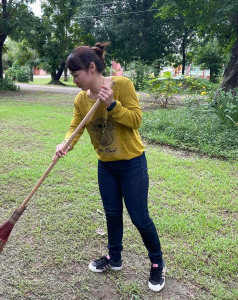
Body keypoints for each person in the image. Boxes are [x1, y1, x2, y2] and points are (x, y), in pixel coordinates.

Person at [54, 42, 165, 292]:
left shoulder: (121, 85)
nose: (74, 81)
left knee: (139, 217)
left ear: (91, 68)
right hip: (106, 166)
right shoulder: (81, 99)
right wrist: (64, 144)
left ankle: (157, 264)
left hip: (132, 164)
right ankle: (114, 259)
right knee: (112, 215)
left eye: (76, 75)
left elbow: (136, 121)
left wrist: (112, 105)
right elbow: (76, 128)